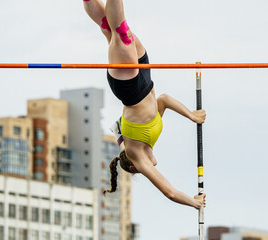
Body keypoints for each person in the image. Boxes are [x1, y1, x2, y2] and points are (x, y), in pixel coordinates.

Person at [83, 0, 206, 210]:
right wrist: (191, 115)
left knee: (119, 31)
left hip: (129, 87)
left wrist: (194, 204)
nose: (152, 166)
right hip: (145, 75)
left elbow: (169, 192)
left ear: (132, 166)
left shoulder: (137, 157)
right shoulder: (149, 138)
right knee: (109, 28)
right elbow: (165, 99)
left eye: (140, 170)